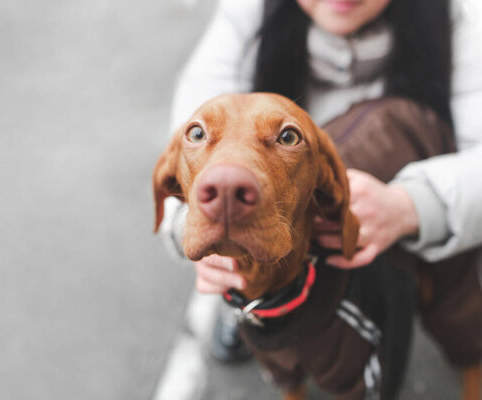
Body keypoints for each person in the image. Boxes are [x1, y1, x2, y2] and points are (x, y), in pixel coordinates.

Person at [160, 0, 482, 364]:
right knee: (248, 258)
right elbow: (190, 135)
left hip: (401, 179)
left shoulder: (465, 18)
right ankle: (247, 301)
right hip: (265, 205)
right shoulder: (246, 11)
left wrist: (416, 206)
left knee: (436, 292)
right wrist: (187, 222)